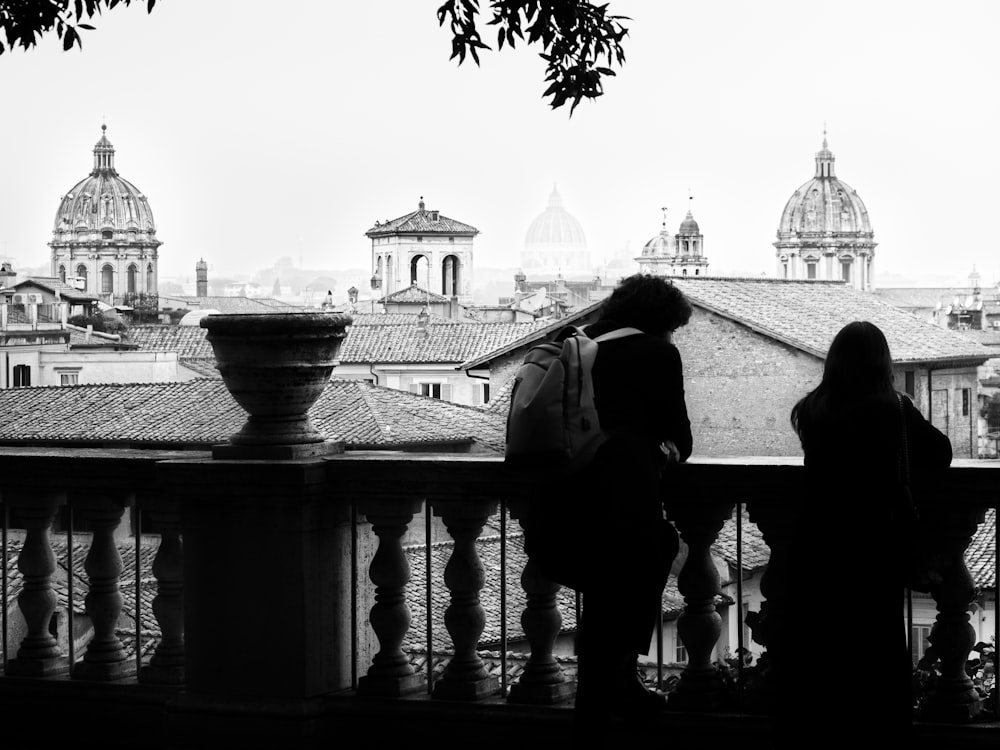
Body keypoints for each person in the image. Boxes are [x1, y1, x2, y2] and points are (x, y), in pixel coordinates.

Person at [771, 321, 952, 747]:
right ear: (882, 362)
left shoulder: (812, 409)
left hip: (817, 543)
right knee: (874, 649)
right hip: (872, 545)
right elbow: (938, 454)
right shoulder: (890, 408)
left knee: (823, 650)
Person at [553, 274, 694, 734]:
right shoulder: (655, 353)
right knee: (642, 566)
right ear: (661, 322)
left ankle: (604, 701)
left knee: (602, 605)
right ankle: (613, 692)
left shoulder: (576, 343)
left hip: (565, 497)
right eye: (672, 327)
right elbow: (682, 438)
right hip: (624, 499)